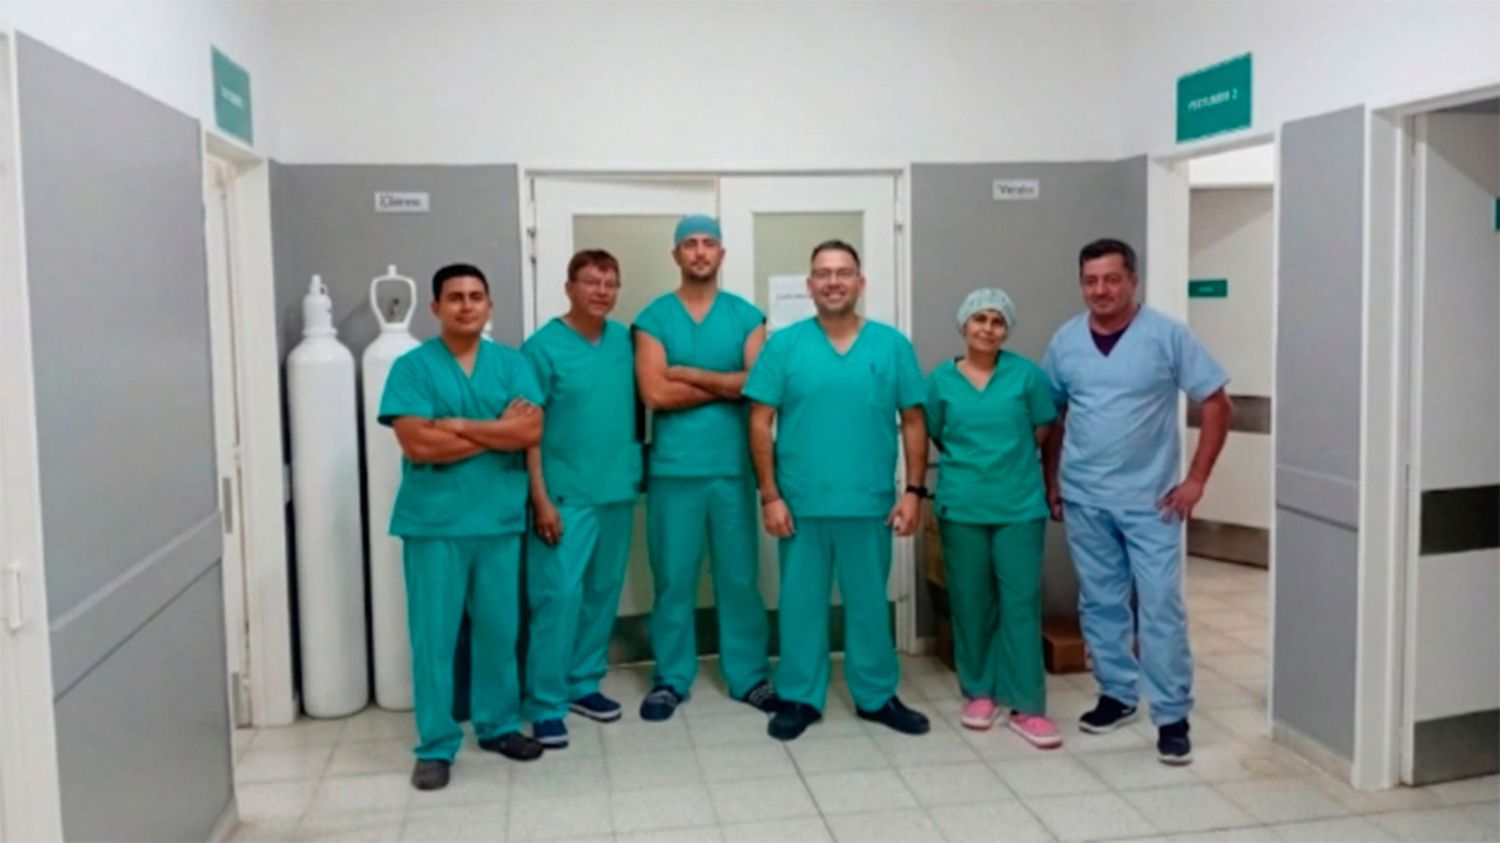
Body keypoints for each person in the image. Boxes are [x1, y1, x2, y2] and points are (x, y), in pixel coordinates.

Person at [1041, 238, 1233, 765]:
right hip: (1085, 497)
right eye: (1091, 280)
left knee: (1160, 606)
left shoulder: (1166, 336)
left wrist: (1196, 480)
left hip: (1153, 502)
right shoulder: (1066, 342)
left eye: (1112, 279)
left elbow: (1218, 404)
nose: (1100, 290)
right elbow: (1053, 416)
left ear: (1133, 281)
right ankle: (1117, 693)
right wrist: (1052, 481)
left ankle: (1171, 715)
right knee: (1100, 602)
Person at [745, 239, 931, 741]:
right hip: (801, 504)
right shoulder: (785, 347)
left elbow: (914, 420)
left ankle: (876, 695)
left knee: (869, 605)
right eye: (823, 274)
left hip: (868, 502)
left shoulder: (891, 346)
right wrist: (770, 495)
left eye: (843, 272)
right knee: (800, 606)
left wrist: (914, 491)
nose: (833, 282)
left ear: (860, 282)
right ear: (810, 285)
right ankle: (800, 696)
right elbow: (759, 421)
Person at [379, 263, 547, 791]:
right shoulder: (412, 368)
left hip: (497, 521)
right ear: (436, 308)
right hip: (435, 525)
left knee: (499, 632)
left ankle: (498, 726)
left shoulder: (513, 364)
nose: (467, 305)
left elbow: (530, 431)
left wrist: (457, 426)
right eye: (455, 297)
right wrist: (497, 431)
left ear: (490, 305)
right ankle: (435, 746)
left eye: (476, 296)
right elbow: (418, 444)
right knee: (435, 638)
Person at [633, 215, 780, 721]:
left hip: (732, 469)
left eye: (708, 243)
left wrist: (689, 373)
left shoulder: (746, 316)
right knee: (673, 579)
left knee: (739, 578)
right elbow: (655, 393)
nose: (699, 252)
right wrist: (725, 383)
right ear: (676, 254)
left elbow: (758, 384)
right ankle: (671, 678)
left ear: (721, 254)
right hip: (674, 471)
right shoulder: (654, 318)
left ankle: (749, 675)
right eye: (690, 244)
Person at [925, 287, 1060, 748]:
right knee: (970, 602)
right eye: (979, 319)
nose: (987, 328)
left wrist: (1009, 464)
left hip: (1018, 506)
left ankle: (1027, 705)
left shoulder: (1027, 377)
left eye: (997, 321)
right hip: (962, 505)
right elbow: (939, 434)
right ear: (964, 325)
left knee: (1020, 604)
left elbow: (1042, 429)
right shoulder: (940, 382)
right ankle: (979, 692)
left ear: (1007, 330)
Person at [520, 250, 641, 749]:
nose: (602, 292)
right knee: (559, 597)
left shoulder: (624, 342)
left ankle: (583, 683)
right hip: (565, 494)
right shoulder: (542, 349)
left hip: (616, 488)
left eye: (610, 283)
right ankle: (545, 703)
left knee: (602, 591)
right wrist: (541, 499)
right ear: (569, 288)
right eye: (591, 282)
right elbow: (527, 431)